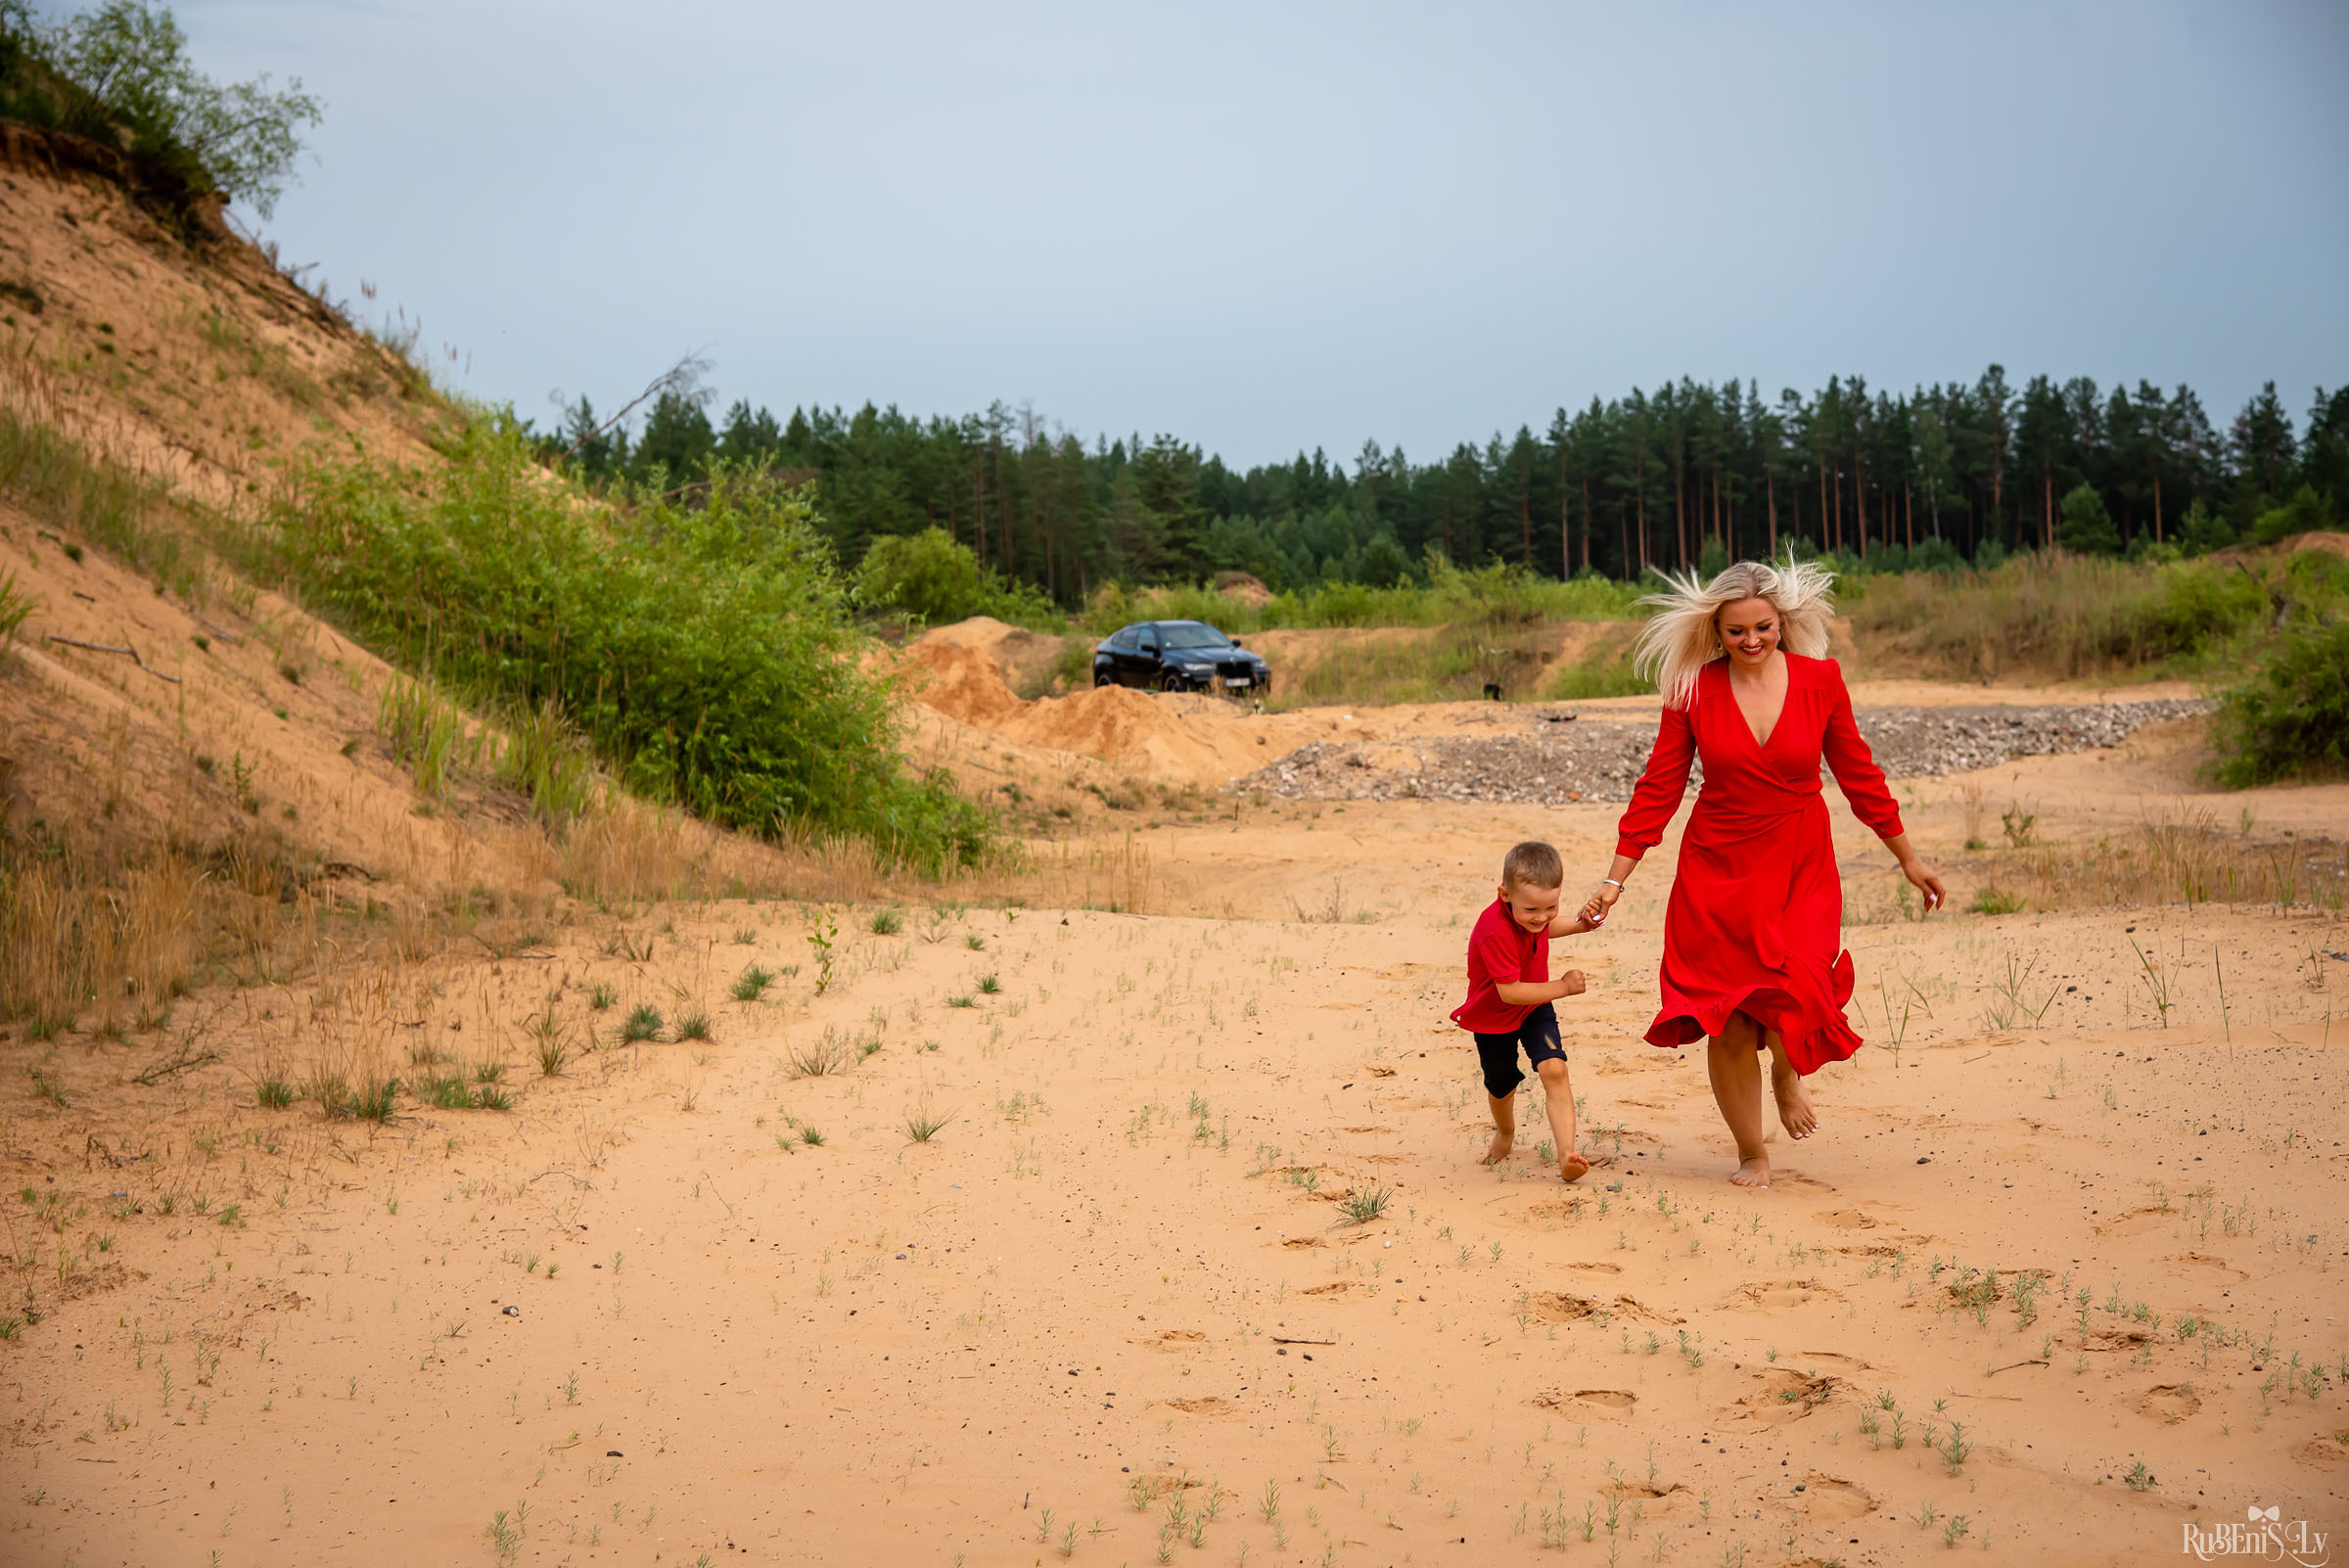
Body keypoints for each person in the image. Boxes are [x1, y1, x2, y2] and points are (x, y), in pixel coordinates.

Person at [1579, 558, 1947, 1189]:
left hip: (1800, 859)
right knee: (1728, 1016)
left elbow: (1859, 774)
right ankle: (1752, 1152)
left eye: (1764, 627)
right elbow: (1658, 789)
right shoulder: (1692, 690)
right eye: (1736, 631)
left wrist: (1907, 858)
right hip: (1717, 867)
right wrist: (1615, 881)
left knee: (1799, 982)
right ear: (1714, 632)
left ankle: (1785, 1071)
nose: (1752, 641)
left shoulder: (1821, 681)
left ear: (1784, 622)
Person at [1451, 840, 1600, 1182]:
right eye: (1532, 910)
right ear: (1505, 895)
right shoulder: (1494, 931)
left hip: (1534, 1005)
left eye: (1551, 906)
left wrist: (1580, 924)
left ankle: (1567, 1155)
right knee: (1501, 1085)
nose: (1542, 917)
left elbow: (1546, 927)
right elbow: (1510, 992)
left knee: (1554, 1068)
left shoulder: (1535, 915)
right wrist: (1563, 987)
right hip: (1495, 1015)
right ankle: (1505, 1132)